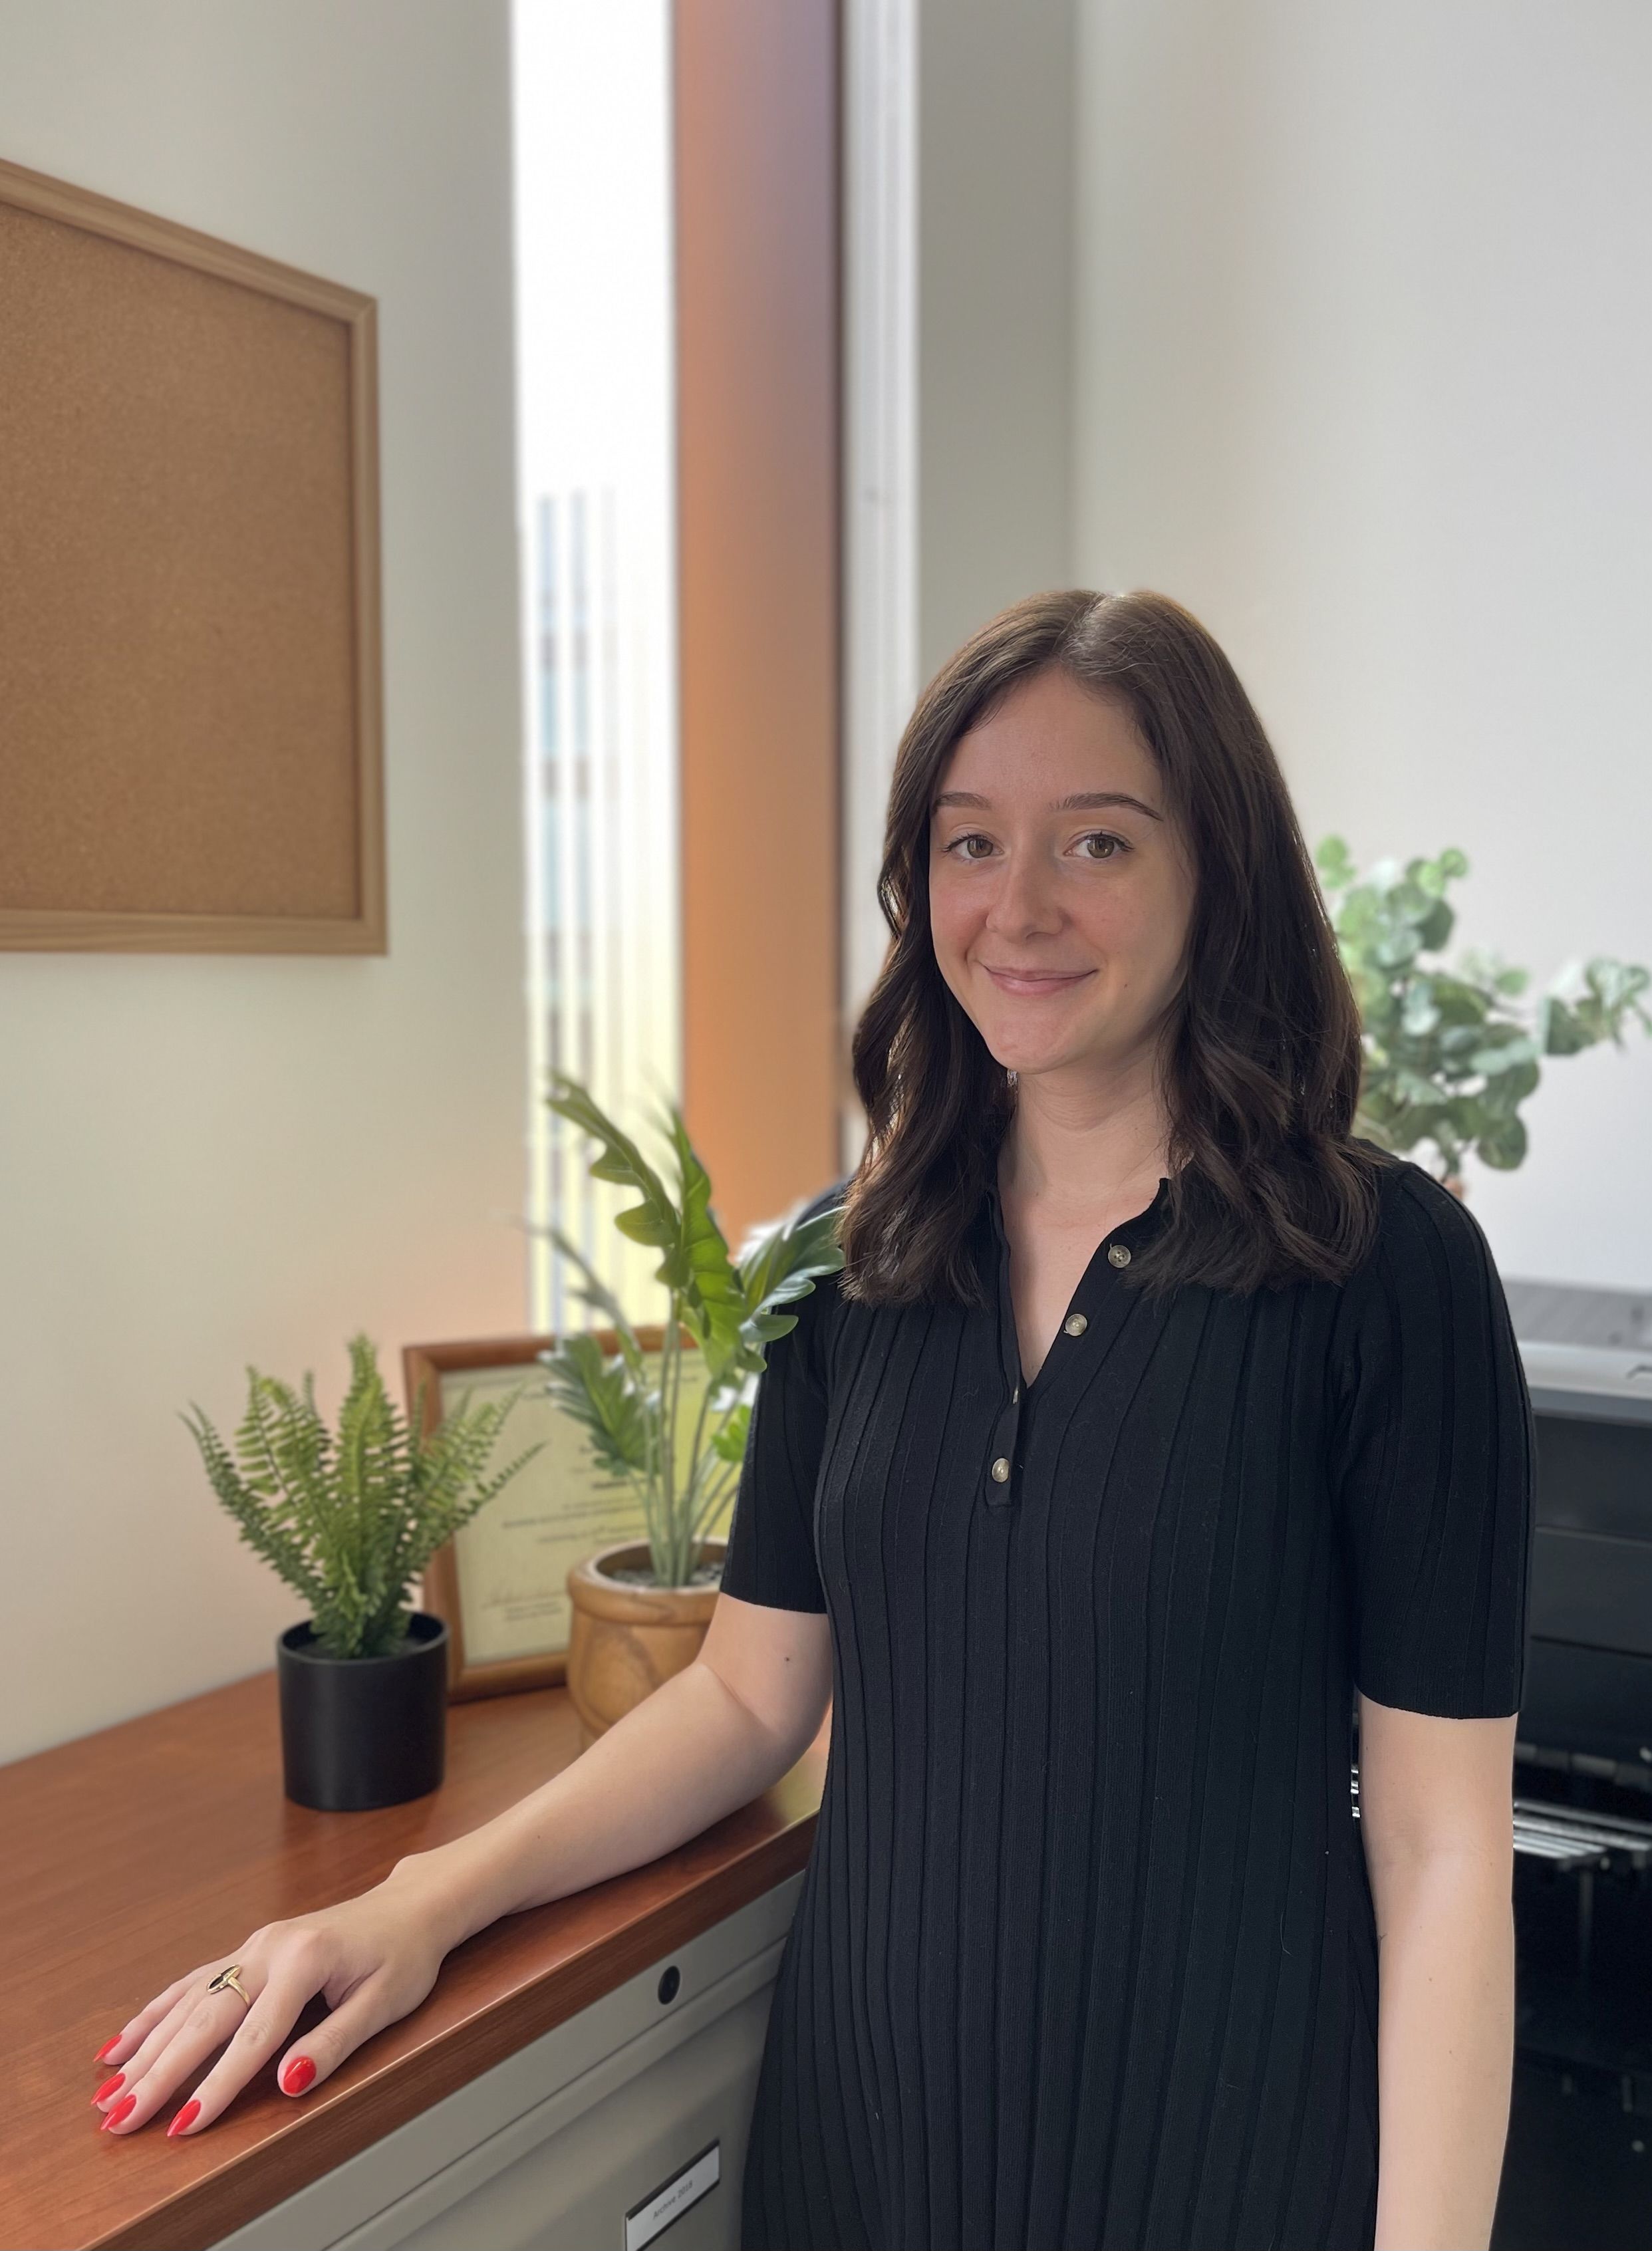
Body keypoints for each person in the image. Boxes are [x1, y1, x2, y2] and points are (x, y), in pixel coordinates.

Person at [90, 589, 1534, 2251]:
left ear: (1221, 873)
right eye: (970, 843)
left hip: (1226, 2156)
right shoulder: (864, 1261)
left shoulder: (1381, 1268)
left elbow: (1439, 1851)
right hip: (867, 2151)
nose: (1018, 906)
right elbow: (748, 1694)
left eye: (1100, 844)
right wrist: (422, 1903)